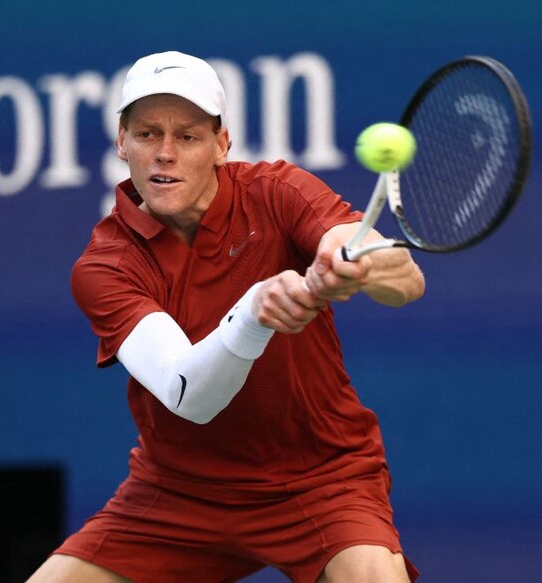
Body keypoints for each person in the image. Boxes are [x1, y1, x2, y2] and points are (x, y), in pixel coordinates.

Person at [28, 51, 426, 583]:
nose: (164, 154)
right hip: (179, 491)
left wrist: (355, 262)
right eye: (147, 134)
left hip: (320, 475)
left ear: (221, 144)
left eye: (187, 137)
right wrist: (255, 314)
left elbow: (406, 281)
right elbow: (187, 393)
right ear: (122, 141)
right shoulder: (105, 265)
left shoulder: (277, 191)